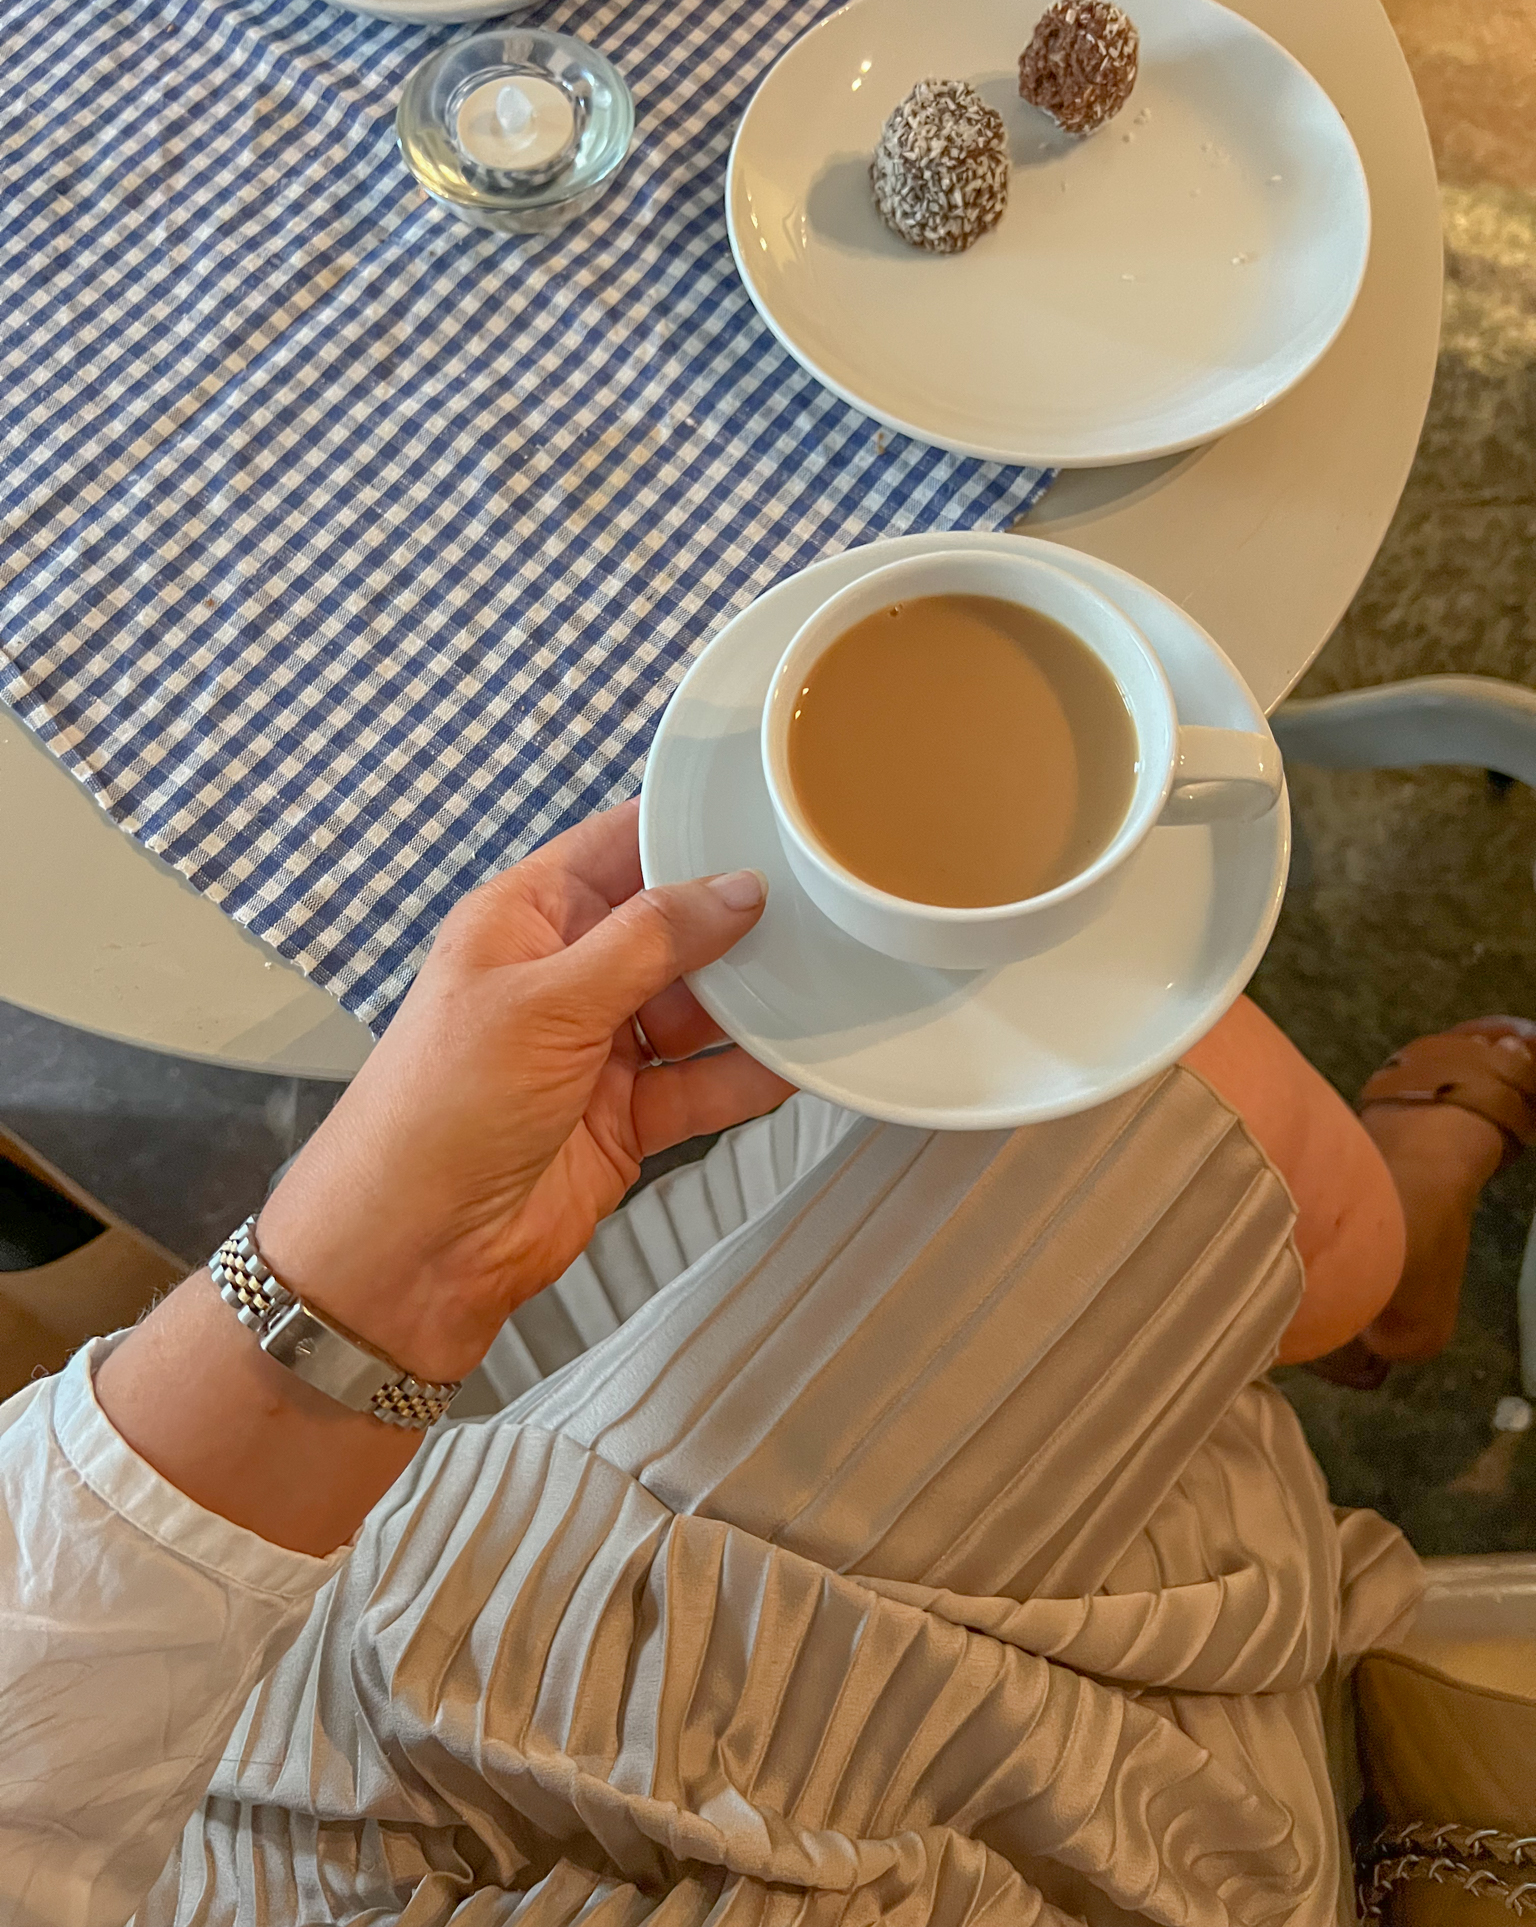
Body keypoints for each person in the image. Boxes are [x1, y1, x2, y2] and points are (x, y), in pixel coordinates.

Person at [0, 801, 1531, 1927]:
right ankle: (1384, 1259)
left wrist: (380, 1270)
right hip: (604, 1840)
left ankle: (1303, 1279)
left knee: (883, 1075)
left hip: (236, 1688)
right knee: (1118, 1072)